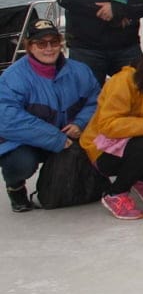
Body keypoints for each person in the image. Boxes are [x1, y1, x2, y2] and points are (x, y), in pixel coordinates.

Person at [0, 19, 100, 213]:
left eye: (54, 42)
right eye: (41, 44)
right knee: (22, 163)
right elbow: (7, 119)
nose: (49, 49)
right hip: (26, 141)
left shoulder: (80, 70)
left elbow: (97, 101)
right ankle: (15, 187)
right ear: (29, 46)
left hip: (69, 136)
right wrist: (55, 139)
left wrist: (80, 123)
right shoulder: (12, 77)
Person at [80, 39, 143, 220]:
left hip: (134, 142)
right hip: (103, 149)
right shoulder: (124, 80)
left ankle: (141, 180)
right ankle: (115, 193)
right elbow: (107, 125)